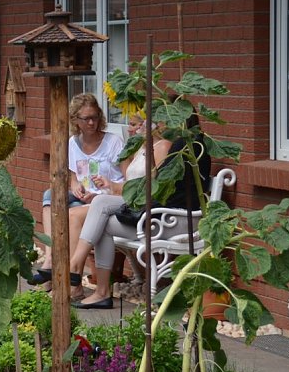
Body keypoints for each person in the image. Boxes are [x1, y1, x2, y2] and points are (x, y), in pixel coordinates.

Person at [68, 113, 211, 310]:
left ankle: (79, 268)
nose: (154, 122)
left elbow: (156, 191)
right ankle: (97, 289)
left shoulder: (181, 148)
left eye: (159, 118)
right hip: (162, 217)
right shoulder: (177, 145)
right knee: (103, 216)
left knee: (101, 207)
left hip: (174, 223)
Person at [33, 93, 125, 288]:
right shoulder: (73, 143)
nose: (92, 122)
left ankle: (70, 283)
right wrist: (75, 185)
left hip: (105, 201)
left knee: (71, 214)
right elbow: (72, 174)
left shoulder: (114, 142)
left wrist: (101, 191)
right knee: (50, 195)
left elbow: (126, 180)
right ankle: (50, 258)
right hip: (83, 198)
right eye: (86, 119)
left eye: (95, 117)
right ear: (76, 120)